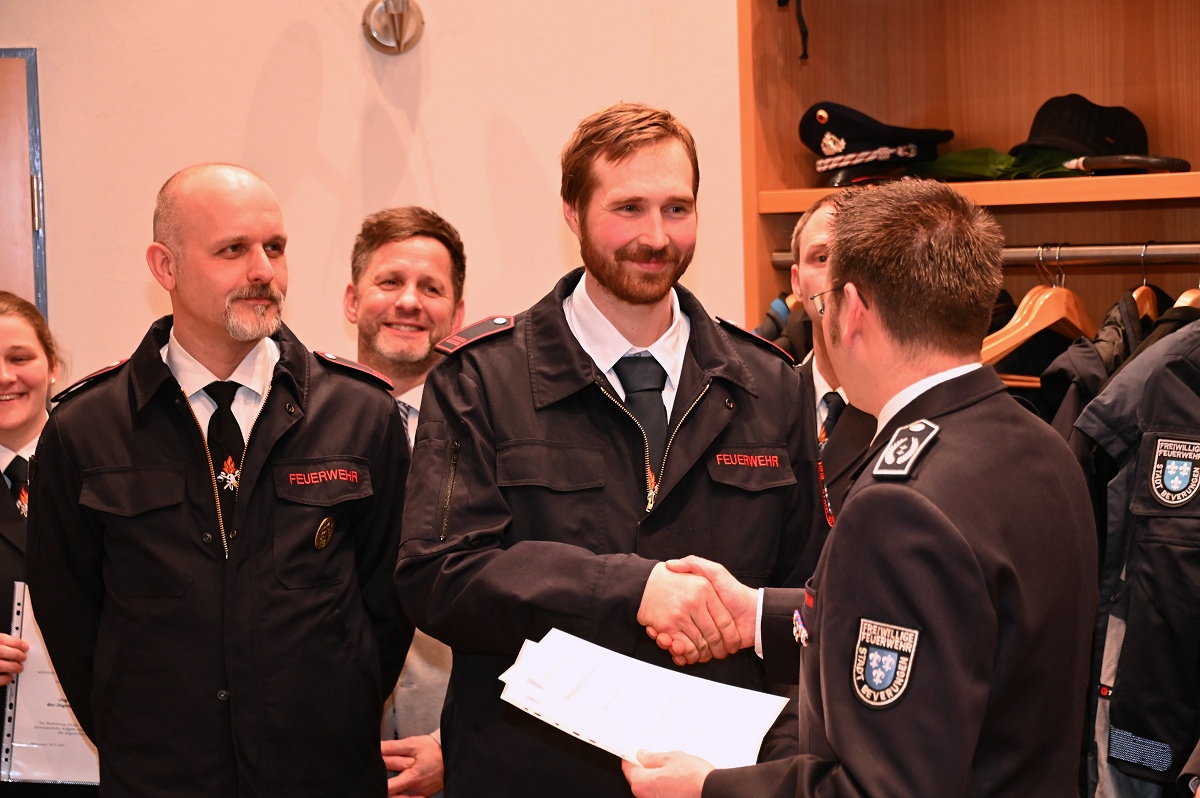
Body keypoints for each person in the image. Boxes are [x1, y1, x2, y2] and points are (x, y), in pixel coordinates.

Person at [623, 179, 1099, 797]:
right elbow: (951, 638)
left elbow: (882, 790)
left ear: (851, 309)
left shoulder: (898, 505)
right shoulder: (1042, 446)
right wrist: (757, 615)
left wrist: (710, 788)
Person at [394, 102, 815, 796]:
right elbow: (437, 577)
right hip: (531, 776)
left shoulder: (768, 383)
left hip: (718, 779)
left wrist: (779, 764)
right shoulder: (481, 378)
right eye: (628, 208)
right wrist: (630, 590)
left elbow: (811, 601)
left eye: (677, 209)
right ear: (573, 212)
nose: (656, 237)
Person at [26, 164, 412, 797]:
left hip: (322, 773)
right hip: (162, 777)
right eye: (233, 250)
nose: (263, 270)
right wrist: (144, 731)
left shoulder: (359, 413)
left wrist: (332, 711)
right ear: (165, 266)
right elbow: (71, 617)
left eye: (275, 248)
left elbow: (386, 606)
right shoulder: (85, 429)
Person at [344, 206, 466, 797]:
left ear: (457, 314)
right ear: (352, 301)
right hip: (326, 752)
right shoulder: (294, 432)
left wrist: (455, 744)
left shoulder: (491, 438)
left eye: (431, 288)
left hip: (458, 748)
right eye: (390, 281)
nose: (409, 301)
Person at [0, 292, 98, 797]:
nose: (4, 377)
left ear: (53, 365)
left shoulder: (104, 464)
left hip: (111, 753)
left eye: (19, 357)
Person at [785, 195, 875, 586]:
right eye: (821, 258)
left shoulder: (908, 409)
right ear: (796, 282)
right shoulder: (763, 404)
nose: (836, 274)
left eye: (851, 255)